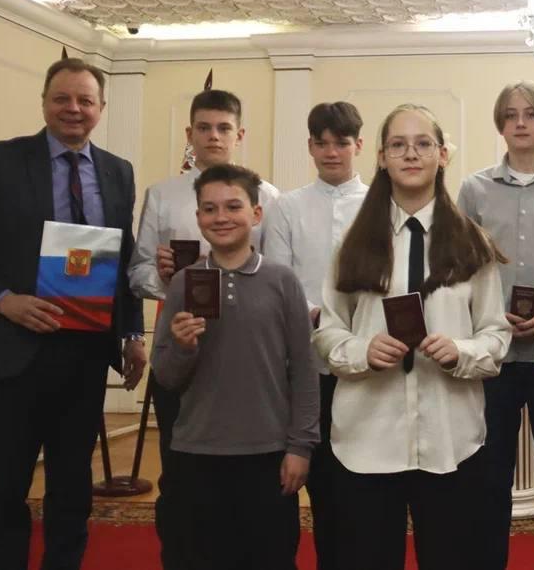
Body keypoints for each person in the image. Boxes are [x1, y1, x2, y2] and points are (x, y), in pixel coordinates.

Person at [0, 57, 146, 570]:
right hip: (15, 350)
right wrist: (3, 300)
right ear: (44, 102)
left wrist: (132, 332)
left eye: (86, 100)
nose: (74, 109)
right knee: (7, 484)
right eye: (62, 98)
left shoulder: (118, 171)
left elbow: (123, 256)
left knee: (72, 483)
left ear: (101, 108)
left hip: (86, 352)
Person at [313, 104, 511, 570]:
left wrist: (460, 351)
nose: (411, 154)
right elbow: (328, 332)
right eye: (398, 145)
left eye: (423, 144)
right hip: (367, 439)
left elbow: (495, 335)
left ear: (442, 155)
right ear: (381, 157)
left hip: (450, 439)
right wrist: (362, 351)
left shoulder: (472, 243)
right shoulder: (354, 243)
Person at [128, 87, 279, 569]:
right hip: (182, 349)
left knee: (252, 475)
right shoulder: (163, 194)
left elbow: (278, 274)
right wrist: (165, 278)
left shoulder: (268, 196)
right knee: (179, 474)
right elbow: (137, 272)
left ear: (240, 134)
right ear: (189, 133)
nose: (214, 136)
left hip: (250, 355)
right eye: (204, 127)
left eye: (223, 128)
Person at [151, 164, 318, 570]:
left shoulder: (283, 282)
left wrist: (300, 447)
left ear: (256, 214)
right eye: (209, 209)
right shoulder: (183, 283)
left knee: (268, 557)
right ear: (198, 218)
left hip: (266, 452)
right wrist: (184, 347)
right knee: (196, 557)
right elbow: (165, 376)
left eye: (233, 206)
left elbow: (304, 370)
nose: (221, 217)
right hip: (196, 450)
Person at [457, 81, 534, 570]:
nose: (520, 123)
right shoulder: (474, 189)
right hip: (494, 357)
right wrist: (493, 318)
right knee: (487, 480)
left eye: (530, 114)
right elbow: (461, 268)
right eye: (510, 115)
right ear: (500, 124)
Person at [261, 101, 369, 570]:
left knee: (354, 489)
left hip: (365, 364)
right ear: (309, 146)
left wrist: (356, 328)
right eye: (321, 143)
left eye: (341, 142)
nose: (331, 152)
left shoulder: (379, 204)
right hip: (304, 363)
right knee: (304, 479)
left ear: (358, 145)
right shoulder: (286, 207)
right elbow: (279, 279)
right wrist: (322, 320)